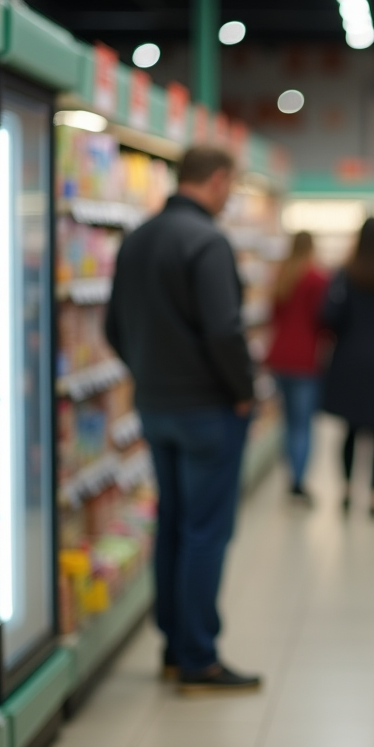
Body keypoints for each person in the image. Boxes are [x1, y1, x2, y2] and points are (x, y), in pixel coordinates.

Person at [105, 145, 260, 694]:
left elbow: (113, 325)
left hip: (155, 406)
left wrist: (147, 375)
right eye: (230, 186)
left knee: (171, 522)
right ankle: (198, 657)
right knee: (205, 531)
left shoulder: (138, 237)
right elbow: (224, 329)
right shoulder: (207, 241)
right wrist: (242, 391)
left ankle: (173, 646)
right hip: (207, 411)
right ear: (217, 180)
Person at [322, 217, 374, 517]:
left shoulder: (346, 274)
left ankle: (347, 491)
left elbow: (330, 316)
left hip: (349, 358)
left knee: (350, 429)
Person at [265, 231, 329, 503]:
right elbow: (324, 319)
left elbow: (273, 316)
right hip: (306, 359)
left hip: (279, 356)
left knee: (288, 421)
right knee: (303, 424)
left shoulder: (282, 274)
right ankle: (298, 483)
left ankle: (289, 474)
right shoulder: (317, 278)